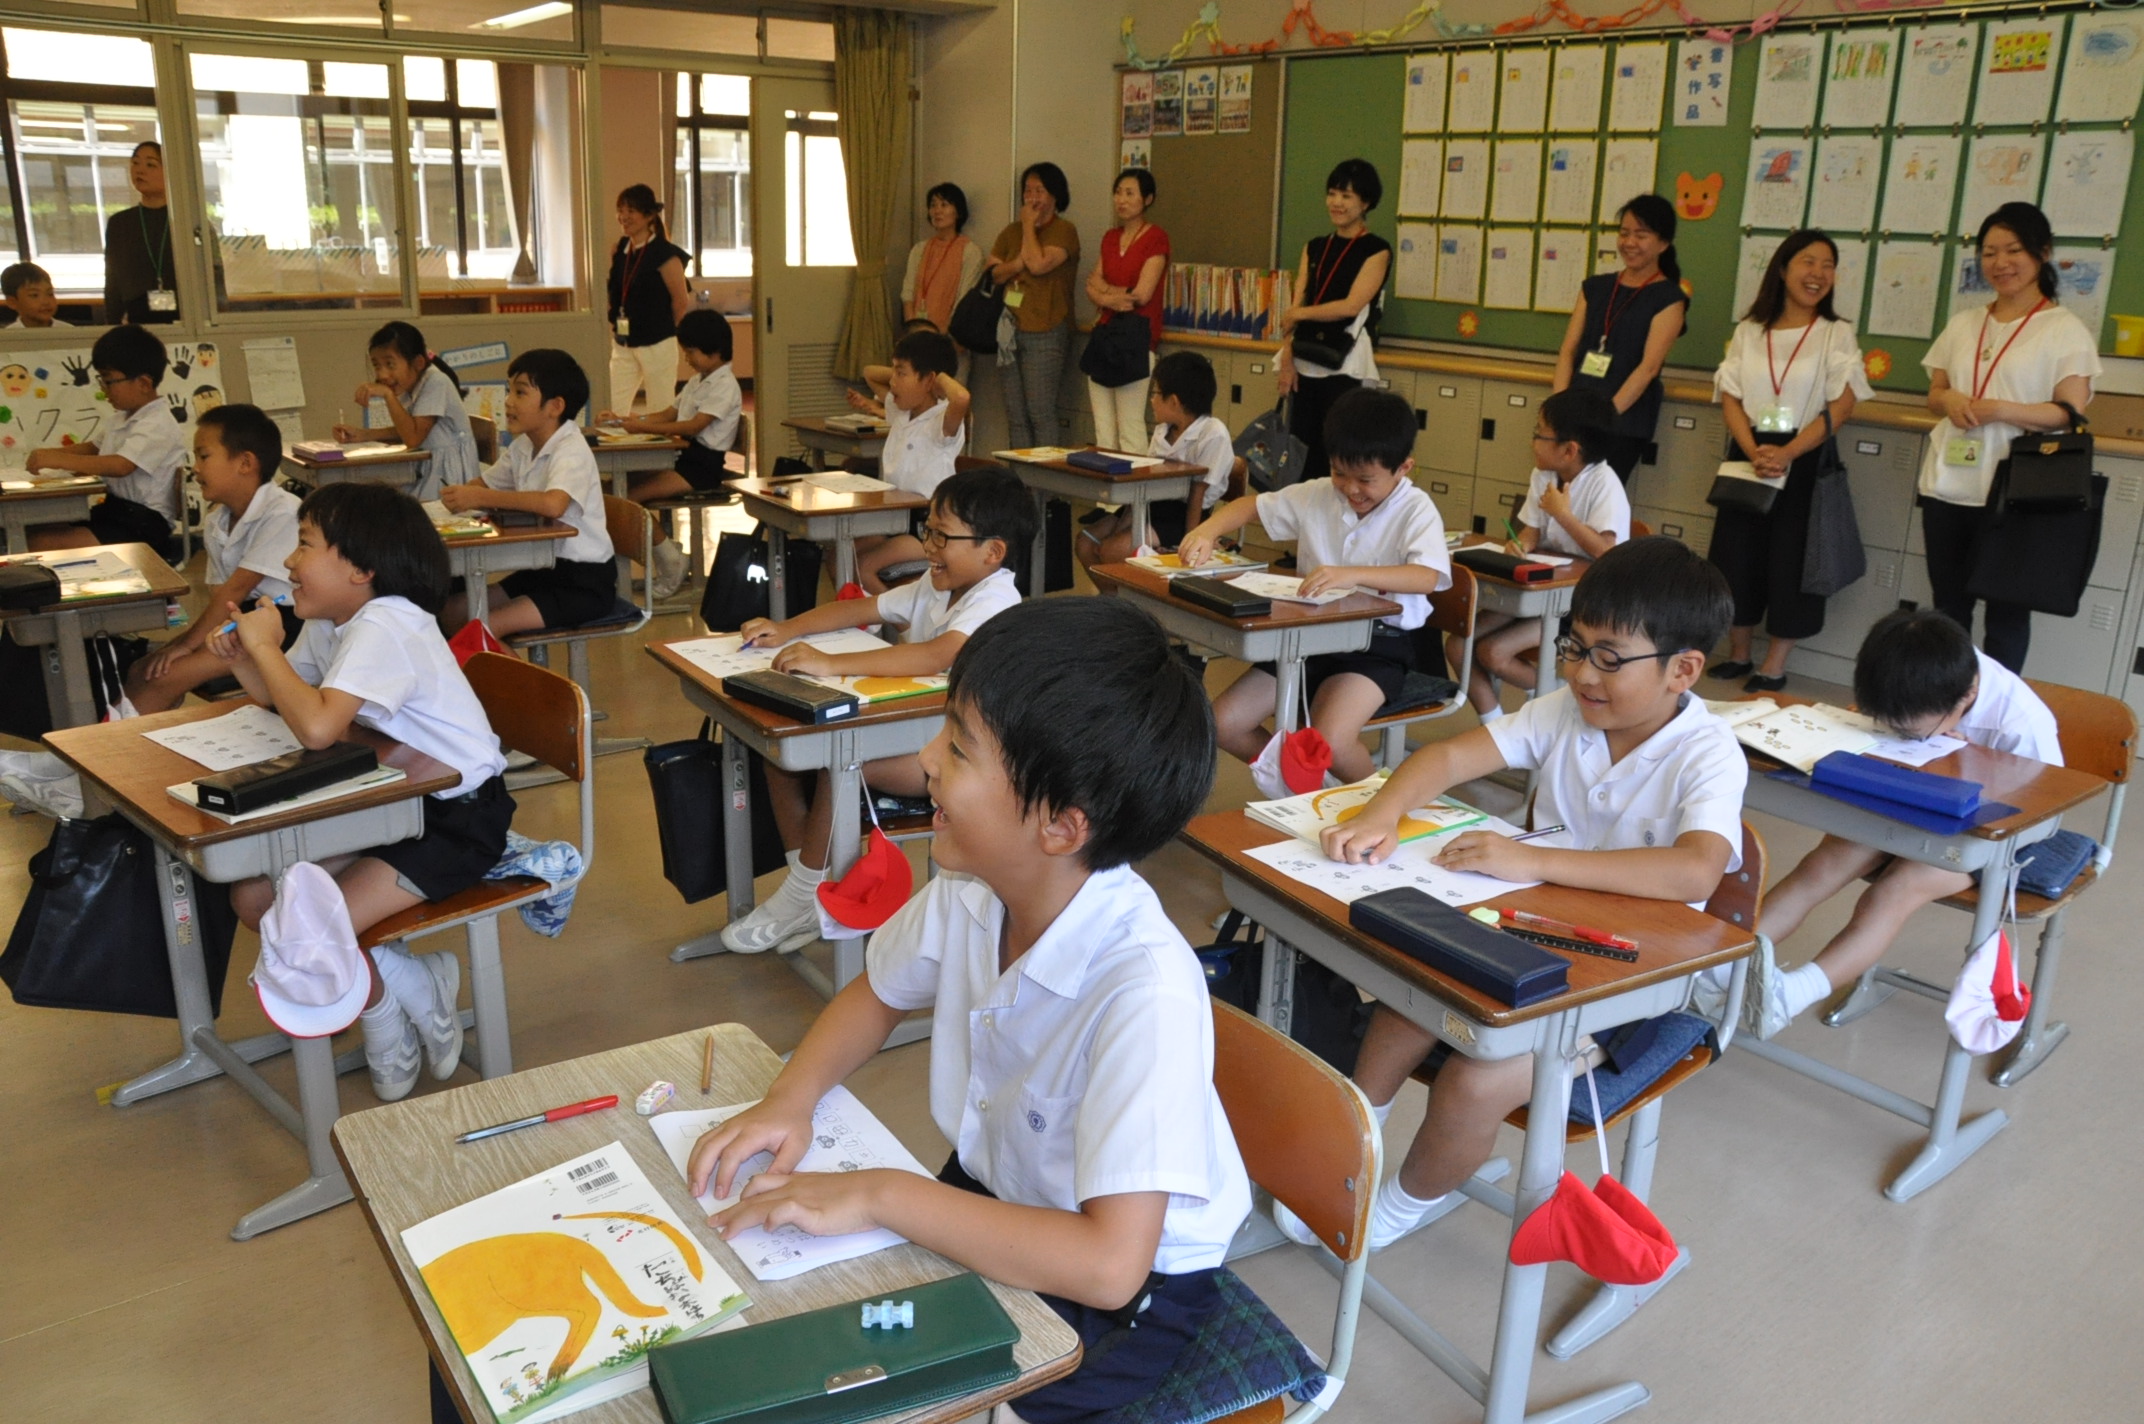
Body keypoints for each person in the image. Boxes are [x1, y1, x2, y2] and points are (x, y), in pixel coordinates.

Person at [688, 596, 1249, 1424]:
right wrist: (790, 1098)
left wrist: (881, 1195)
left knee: (938, 1397)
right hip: (1000, 1190)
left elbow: (1109, 1266)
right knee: (818, 1312)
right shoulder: (973, 886)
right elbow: (877, 994)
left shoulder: (1145, 991)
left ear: (1060, 825)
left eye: (957, 746)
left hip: (1131, 1286)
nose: (925, 760)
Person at [1286, 538, 1742, 1251]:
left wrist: (1531, 858)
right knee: (1412, 996)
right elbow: (1447, 755)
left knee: (1478, 1080)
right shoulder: (1567, 710)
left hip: (1634, 979)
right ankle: (1353, 1147)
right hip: (1534, 929)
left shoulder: (1708, 752)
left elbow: (1696, 873)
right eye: (1575, 647)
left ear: (1682, 670)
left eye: (1609, 658)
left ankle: (1397, 1209)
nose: (1582, 673)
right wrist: (1380, 813)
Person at [214, 482, 511, 1102]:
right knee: (254, 898)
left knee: (306, 927)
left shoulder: (385, 623)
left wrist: (266, 645)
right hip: (386, 801)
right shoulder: (336, 619)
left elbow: (318, 729)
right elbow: (283, 700)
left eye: (304, 545)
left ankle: (383, 1014)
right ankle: (408, 983)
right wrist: (248, 657)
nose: (290, 561)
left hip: (454, 817)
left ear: (361, 569)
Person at [716, 466, 1033, 954]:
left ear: (992, 552)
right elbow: (861, 609)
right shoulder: (937, 585)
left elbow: (936, 655)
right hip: (918, 734)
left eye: (942, 536)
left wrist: (829, 663)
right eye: (927, 530)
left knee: (843, 760)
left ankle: (801, 894)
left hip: (967, 760)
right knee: (781, 750)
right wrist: (787, 628)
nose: (928, 546)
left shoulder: (996, 599)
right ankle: (810, 889)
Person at [1740, 609, 2062, 1038]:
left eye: (1912, 733)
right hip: (1907, 806)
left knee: (1894, 890)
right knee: (1822, 865)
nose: (1902, 734)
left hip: (1991, 839)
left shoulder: (2022, 725)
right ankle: (1722, 967)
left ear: (1966, 698)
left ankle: (1792, 995)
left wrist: (1964, 759)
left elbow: (2043, 813)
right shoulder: (1909, 674)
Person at [1178, 386, 1449, 786]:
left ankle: (1380, 808)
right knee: (1223, 723)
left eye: (1366, 480)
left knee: (1331, 741)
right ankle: (1308, 787)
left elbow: (1427, 576)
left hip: (1376, 647)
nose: (1351, 489)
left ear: (1403, 468)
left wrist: (1352, 574)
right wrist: (1206, 530)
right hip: (1305, 640)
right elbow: (1250, 506)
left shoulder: (1416, 509)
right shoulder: (1319, 494)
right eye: (1340, 473)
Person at [1917, 201, 2100, 673]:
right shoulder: (1964, 323)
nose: (2000, 263)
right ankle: (1947, 699)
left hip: (2016, 493)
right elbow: (1934, 394)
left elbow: (2069, 412)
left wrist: (2001, 409)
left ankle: (1994, 709)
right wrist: (1950, 400)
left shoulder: (2064, 329)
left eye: (2013, 250)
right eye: (1989, 252)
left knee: (2007, 615)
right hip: (1948, 485)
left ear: (2043, 253)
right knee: (1947, 609)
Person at [1704, 229, 1873, 694]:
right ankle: (1738, 654)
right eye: (1808, 262)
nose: (1818, 274)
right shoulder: (1750, 330)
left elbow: (1842, 404)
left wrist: (1788, 452)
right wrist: (1753, 449)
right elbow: (1730, 396)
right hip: (1750, 452)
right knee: (1735, 557)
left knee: (1793, 562)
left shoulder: (1835, 333)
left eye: (1828, 265)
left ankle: (1774, 665)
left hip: (1804, 456)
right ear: (1782, 269)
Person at [1461, 387, 1629, 722]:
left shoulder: (1604, 483)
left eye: (1539, 434)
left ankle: (1555, 696)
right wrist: (1520, 546)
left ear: (1569, 450)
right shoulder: (1543, 474)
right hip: (1538, 590)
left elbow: (1608, 552)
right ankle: (1493, 722)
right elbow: (1531, 532)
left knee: (1493, 652)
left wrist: (1563, 514)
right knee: (1458, 644)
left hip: (1577, 605)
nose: (1532, 442)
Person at [124, 404, 303, 714]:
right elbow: (220, 598)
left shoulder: (282, 512)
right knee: (143, 667)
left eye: (204, 456)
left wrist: (186, 645)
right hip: (241, 620)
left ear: (245, 462)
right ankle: (122, 736)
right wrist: (181, 644)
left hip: (283, 626)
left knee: (164, 675)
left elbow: (235, 590)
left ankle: (113, 743)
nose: (196, 469)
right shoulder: (217, 520)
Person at [438, 349, 615, 637]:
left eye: (520, 393)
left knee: (482, 630)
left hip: (583, 581)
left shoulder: (571, 449)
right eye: (509, 391)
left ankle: (507, 667)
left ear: (555, 406)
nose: (508, 401)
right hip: (541, 569)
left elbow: (553, 504)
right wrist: (462, 494)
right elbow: (483, 485)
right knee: (452, 612)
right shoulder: (523, 445)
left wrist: (480, 498)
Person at [599, 308, 740, 601]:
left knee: (626, 501)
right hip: (682, 459)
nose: (687, 358)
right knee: (611, 491)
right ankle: (665, 552)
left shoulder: (725, 386)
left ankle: (671, 560)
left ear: (714, 350)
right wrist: (625, 421)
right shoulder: (698, 380)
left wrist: (644, 427)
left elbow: (693, 426)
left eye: (691, 351)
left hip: (701, 468)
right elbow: (667, 413)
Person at [1554, 194, 1689, 482]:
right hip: (1576, 415)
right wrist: (1558, 409)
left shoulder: (1669, 299)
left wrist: (1604, 420)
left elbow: (1648, 368)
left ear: (1663, 243)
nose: (1629, 242)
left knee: (1597, 499)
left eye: (1641, 235)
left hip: (1621, 422)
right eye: (1624, 233)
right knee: (1558, 496)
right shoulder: (1595, 287)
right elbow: (1568, 351)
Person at [1276, 158, 1391, 487]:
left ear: (1365, 203)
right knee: (1301, 457)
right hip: (1304, 361)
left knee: (1340, 456)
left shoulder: (1377, 250)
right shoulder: (1314, 247)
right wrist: (1287, 358)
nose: (1336, 203)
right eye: (1332, 194)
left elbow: (1351, 306)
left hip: (1345, 365)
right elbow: (1297, 303)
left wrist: (1299, 314)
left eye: (1346, 196)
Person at [25, 324, 184, 558]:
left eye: (109, 381)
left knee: (41, 543)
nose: (104, 390)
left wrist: (57, 459)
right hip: (117, 512)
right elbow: (93, 449)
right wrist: (48, 454)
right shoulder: (121, 418)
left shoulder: (158, 423)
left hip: (144, 524)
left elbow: (121, 465)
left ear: (143, 383)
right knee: (34, 529)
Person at [1077, 349, 1237, 568]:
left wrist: (1189, 542)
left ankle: (1123, 590)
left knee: (1112, 550)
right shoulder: (1163, 430)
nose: (1151, 400)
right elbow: (1145, 483)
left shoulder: (1212, 433)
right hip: (1150, 504)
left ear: (1174, 402)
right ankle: (1112, 590)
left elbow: (1197, 493)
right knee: (1086, 542)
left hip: (1184, 516)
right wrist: (1119, 526)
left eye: (1155, 393)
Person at [844, 328, 972, 593]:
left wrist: (939, 379)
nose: (892, 382)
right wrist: (902, 371)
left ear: (930, 381)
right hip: (892, 518)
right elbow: (869, 372)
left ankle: (897, 617)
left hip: (926, 529)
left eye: (901, 373)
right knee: (841, 555)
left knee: (863, 566)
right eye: (893, 372)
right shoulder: (901, 412)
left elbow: (961, 398)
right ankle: (869, 615)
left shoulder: (941, 421)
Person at [987, 162, 1080, 449]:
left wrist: (1028, 225)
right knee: (1016, 415)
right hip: (1009, 329)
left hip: (1046, 330)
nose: (1032, 198)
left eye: (1039, 191)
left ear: (1055, 195)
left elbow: (1038, 265)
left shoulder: (1064, 230)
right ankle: (1019, 476)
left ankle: (1043, 478)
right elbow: (993, 274)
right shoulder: (1009, 232)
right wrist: (1018, 264)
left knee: (1040, 412)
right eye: (1028, 191)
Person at [331, 321, 477, 502]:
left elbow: (413, 438)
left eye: (390, 364)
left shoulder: (436, 382)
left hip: (448, 478)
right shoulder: (410, 384)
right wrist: (364, 435)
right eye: (377, 366)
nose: (382, 375)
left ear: (418, 363)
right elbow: (408, 428)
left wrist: (388, 396)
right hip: (426, 470)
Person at [1083, 168, 1170, 451]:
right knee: (1103, 427)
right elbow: (1091, 284)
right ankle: (1105, 482)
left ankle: (1134, 482)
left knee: (1130, 426)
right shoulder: (1110, 237)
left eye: (1130, 193)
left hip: (1136, 338)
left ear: (1147, 199)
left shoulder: (1156, 238)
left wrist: (1104, 292)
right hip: (1104, 334)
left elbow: (1142, 295)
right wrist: (1111, 298)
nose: (1121, 200)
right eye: (1118, 193)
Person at [604, 183, 692, 417]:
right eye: (620, 210)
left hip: (657, 343)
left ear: (649, 215)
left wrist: (662, 329)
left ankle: (660, 443)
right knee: (612, 407)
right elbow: (615, 292)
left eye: (631, 211)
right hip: (623, 342)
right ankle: (615, 442)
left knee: (660, 409)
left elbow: (680, 302)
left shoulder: (665, 254)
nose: (624, 217)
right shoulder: (620, 249)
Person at [103, 139, 178, 326]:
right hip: (136, 320)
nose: (139, 170)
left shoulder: (185, 221)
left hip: (185, 318)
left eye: (150, 164)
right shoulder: (120, 223)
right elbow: (112, 282)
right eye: (135, 163)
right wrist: (113, 326)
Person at [902, 182, 984, 352]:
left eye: (944, 205)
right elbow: (908, 293)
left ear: (958, 212)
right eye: (933, 205)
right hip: (917, 337)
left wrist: (942, 336)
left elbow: (965, 300)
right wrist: (913, 328)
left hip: (951, 339)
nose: (937, 211)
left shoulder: (970, 251)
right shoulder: (919, 249)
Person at [2, 262, 69, 328]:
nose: (46, 302)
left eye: (50, 294)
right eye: (34, 295)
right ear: (12, 302)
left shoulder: (69, 330)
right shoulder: (8, 334)